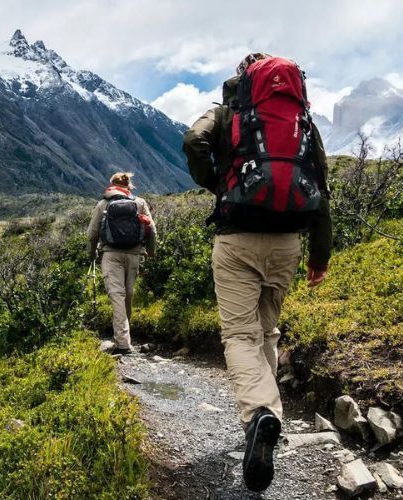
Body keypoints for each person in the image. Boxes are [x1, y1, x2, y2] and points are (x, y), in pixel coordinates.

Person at [182, 53, 333, 492]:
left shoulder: (229, 114)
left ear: (243, 80)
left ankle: (259, 415)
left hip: (237, 238)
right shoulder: (301, 122)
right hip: (288, 242)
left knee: (239, 335)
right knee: (267, 331)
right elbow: (321, 186)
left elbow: (193, 141)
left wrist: (216, 183)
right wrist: (319, 256)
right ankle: (265, 417)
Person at [86, 172, 157, 355]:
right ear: (129, 185)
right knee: (128, 295)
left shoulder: (103, 204)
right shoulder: (139, 203)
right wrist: (150, 252)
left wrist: (92, 254)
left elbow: (92, 234)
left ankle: (123, 343)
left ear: (111, 185)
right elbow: (152, 229)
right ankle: (125, 337)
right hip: (134, 255)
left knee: (117, 295)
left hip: (111, 254)